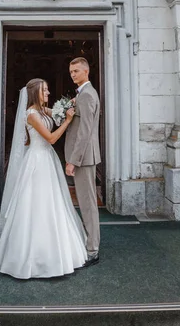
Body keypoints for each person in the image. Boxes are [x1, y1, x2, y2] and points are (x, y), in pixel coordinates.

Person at [0, 78, 87, 279]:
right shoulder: (32, 114)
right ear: (35, 93)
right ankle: (30, 258)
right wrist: (68, 121)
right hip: (36, 161)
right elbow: (51, 138)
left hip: (48, 160)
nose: (48, 93)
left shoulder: (44, 111)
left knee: (52, 203)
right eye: (45, 91)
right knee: (34, 204)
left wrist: (72, 104)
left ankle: (56, 251)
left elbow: (59, 113)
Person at [65, 57, 101, 267]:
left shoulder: (87, 95)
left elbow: (85, 132)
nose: (73, 75)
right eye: (71, 72)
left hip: (84, 159)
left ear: (86, 72)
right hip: (83, 158)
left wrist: (73, 161)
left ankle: (92, 251)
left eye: (76, 71)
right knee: (85, 203)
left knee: (88, 205)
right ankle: (89, 244)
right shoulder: (81, 94)